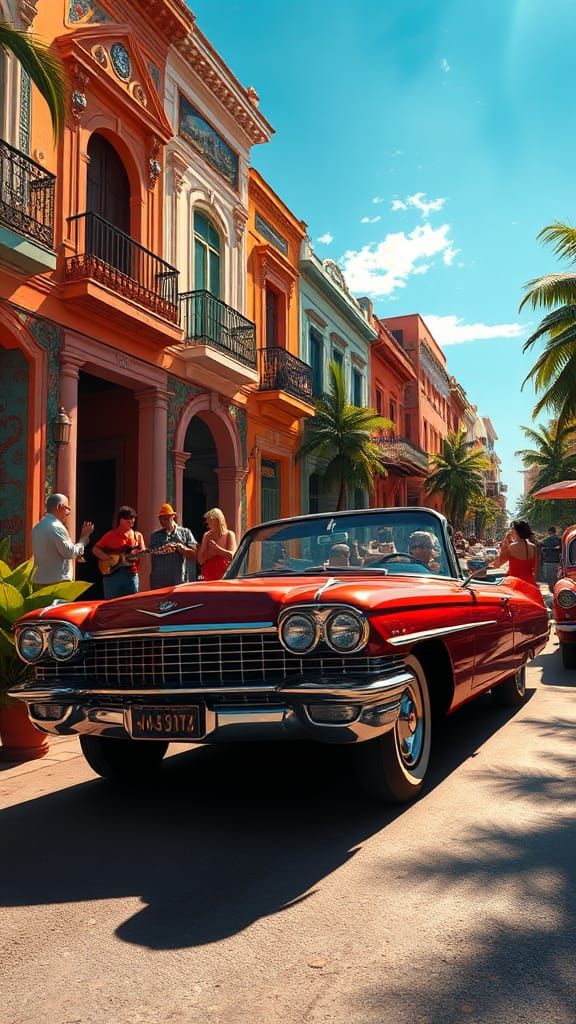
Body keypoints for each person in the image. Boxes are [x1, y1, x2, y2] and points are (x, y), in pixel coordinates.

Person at [31, 493, 94, 586]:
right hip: (56, 582)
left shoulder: (37, 527)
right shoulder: (56, 526)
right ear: (60, 507)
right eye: (67, 509)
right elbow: (69, 552)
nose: (68, 513)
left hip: (39, 580)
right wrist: (82, 541)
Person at [92, 506, 146, 599]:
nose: (132, 520)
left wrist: (138, 553)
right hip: (112, 576)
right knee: (111, 605)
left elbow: (143, 552)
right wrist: (107, 558)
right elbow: (95, 549)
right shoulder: (110, 535)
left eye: (134, 518)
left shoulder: (137, 536)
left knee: (131, 605)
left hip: (131, 575)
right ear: (121, 520)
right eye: (129, 518)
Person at [148, 502, 197, 589]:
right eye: (161, 519)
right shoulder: (155, 536)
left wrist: (182, 548)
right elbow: (152, 552)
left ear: (172, 517)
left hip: (178, 579)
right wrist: (165, 548)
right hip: (159, 581)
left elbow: (194, 554)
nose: (163, 522)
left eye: (166, 519)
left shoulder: (185, 533)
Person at [491, 519, 539, 586]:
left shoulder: (512, 547)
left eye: (512, 529)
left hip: (515, 584)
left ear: (516, 531)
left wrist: (505, 543)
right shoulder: (533, 547)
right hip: (530, 583)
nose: (511, 531)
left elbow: (498, 563)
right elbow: (536, 569)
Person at [197, 508, 237, 581]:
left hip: (224, 575)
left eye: (210, 520)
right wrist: (204, 541)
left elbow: (232, 556)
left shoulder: (229, 534)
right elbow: (200, 560)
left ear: (217, 520)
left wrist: (217, 549)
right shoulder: (207, 535)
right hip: (208, 575)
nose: (207, 523)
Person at [540, 526, 562, 592]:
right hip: (558, 561)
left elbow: (542, 550)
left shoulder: (546, 540)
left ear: (549, 532)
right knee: (557, 576)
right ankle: (557, 589)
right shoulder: (560, 539)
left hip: (548, 561)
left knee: (550, 577)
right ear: (555, 531)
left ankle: (552, 590)